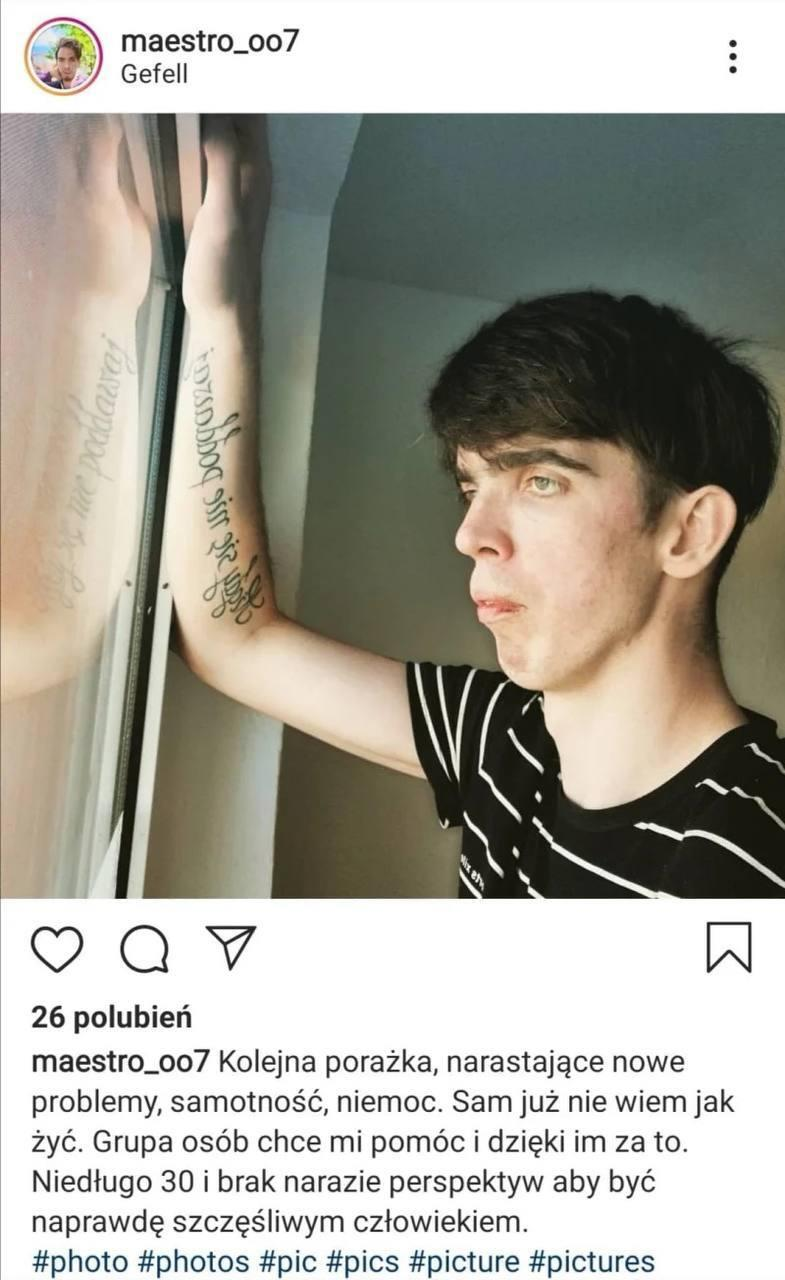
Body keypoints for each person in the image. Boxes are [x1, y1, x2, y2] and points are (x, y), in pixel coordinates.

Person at [168, 119, 785, 899]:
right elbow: (233, 640)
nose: (470, 535)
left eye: (540, 481)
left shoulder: (749, 854)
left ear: (688, 531)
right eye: (471, 487)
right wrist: (220, 310)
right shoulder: (505, 738)